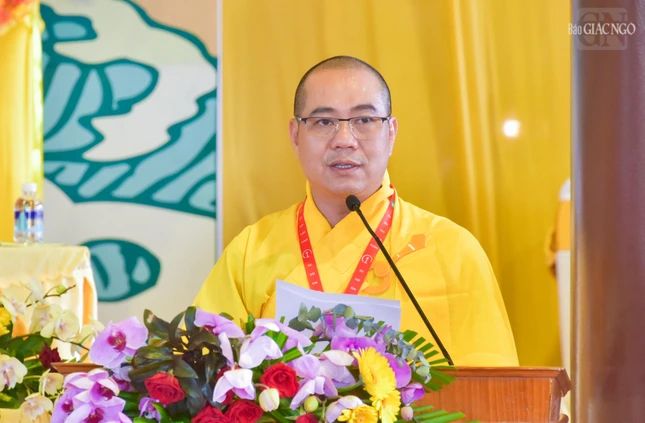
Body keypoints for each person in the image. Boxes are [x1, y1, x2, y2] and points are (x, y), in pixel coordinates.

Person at [193, 56, 518, 366]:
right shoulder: (251, 251)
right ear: (295, 135)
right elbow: (200, 374)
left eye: (364, 120)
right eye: (324, 121)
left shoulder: (452, 250)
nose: (344, 140)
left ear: (391, 133)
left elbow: (493, 388)